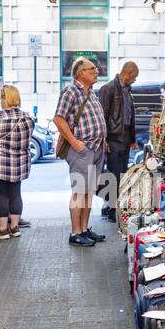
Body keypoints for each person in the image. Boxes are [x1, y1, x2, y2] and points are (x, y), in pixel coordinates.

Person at [54, 57, 107, 247]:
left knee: (89, 191)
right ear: (80, 73)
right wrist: (76, 143)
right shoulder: (70, 91)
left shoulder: (91, 92)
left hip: (96, 148)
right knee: (79, 192)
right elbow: (59, 119)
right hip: (82, 150)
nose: (96, 71)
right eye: (91, 68)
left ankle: (84, 229)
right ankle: (75, 232)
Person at [0, 84, 34, 239]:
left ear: (4, 98)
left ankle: (2, 229)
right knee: (16, 193)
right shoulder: (27, 117)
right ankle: (15, 228)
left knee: (0, 195)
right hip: (20, 163)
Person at [98, 60, 138, 222]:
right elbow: (103, 116)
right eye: (134, 76)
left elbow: (130, 116)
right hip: (113, 139)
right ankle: (112, 208)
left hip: (124, 139)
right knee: (113, 174)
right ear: (128, 73)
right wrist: (104, 139)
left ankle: (113, 207)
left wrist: (132, 139)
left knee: (121, 174)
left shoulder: (127, 90)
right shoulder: (108, 89)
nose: (135, 79)